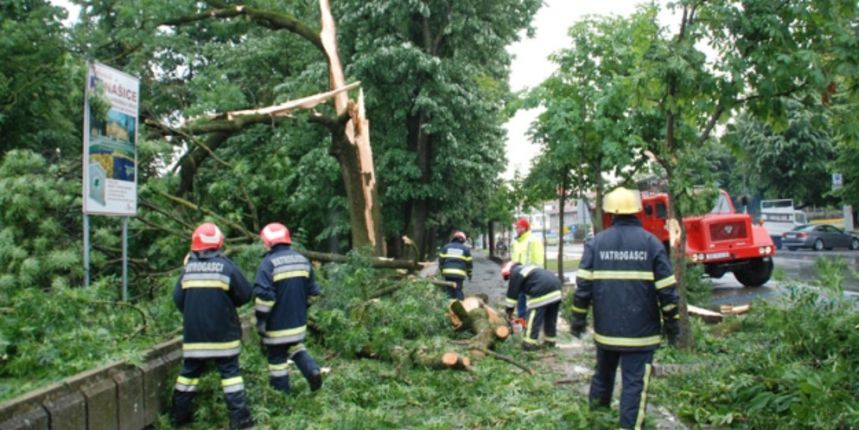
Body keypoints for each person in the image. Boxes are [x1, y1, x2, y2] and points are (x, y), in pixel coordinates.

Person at [570, 187, 680, 430]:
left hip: (606, 332)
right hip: (641, 335)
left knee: (602, 378)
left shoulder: (596, 243)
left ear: (610, 212)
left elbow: (583, 289)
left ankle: (596, 422)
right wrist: (672, 325)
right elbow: (667, 291)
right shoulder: (651, 244)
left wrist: (578, 320)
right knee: (634, 386)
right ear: (638, 211)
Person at [171, 223, 254, 429]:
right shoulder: (227, 267)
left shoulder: (187, 270)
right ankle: (240, 420)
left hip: (195, 338)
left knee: (188, 375)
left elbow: (178, 298)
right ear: (218, 243)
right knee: (231, 375)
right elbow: (245, 294)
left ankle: (178, 418)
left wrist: (193, 313)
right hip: (224, 337)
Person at [254, 222, 323, 394]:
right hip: (298, 323)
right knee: (295, 347)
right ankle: (312, 370)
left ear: (269, 242)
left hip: (276, 325)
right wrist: (302, 306)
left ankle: (282, 394)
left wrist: (261, 320)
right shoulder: (302, 260)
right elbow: (314, 293)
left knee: (277, 357)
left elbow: (264, 297)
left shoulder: (268, 264)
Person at [501, 261, 562, 350]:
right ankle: (550, 342)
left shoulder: (516, 272)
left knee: (533, 317)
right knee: (550, 317)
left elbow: (511, 295)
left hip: (542, 289)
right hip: (556, 288)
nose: (509, 279)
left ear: (508, 270)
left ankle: (529, 344)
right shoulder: (527, 268)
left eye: (508, 276)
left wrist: (508, 312)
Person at [510, 218, 545, 319]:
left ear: (524, 228)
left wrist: (538, 274)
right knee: (521, 296)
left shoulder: (534, 240)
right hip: (519, 274)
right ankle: (522, 319)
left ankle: (534, 318)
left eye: (518, 227)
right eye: (516, 227)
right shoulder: (515, 242)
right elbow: (514, 257)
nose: (516, 229)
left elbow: (539, 259)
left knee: (532, 298)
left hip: (531, 274)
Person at [438, 230, 473, 300]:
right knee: (458, 289)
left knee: (448, 291)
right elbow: (469, 264)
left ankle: (448, 306)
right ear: (463, 240)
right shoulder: (465, 249)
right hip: (459, 275)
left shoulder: (446, 247)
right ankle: (460, 305)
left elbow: (441, 260)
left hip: (447, 273)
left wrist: (442, 271)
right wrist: (469, 274)